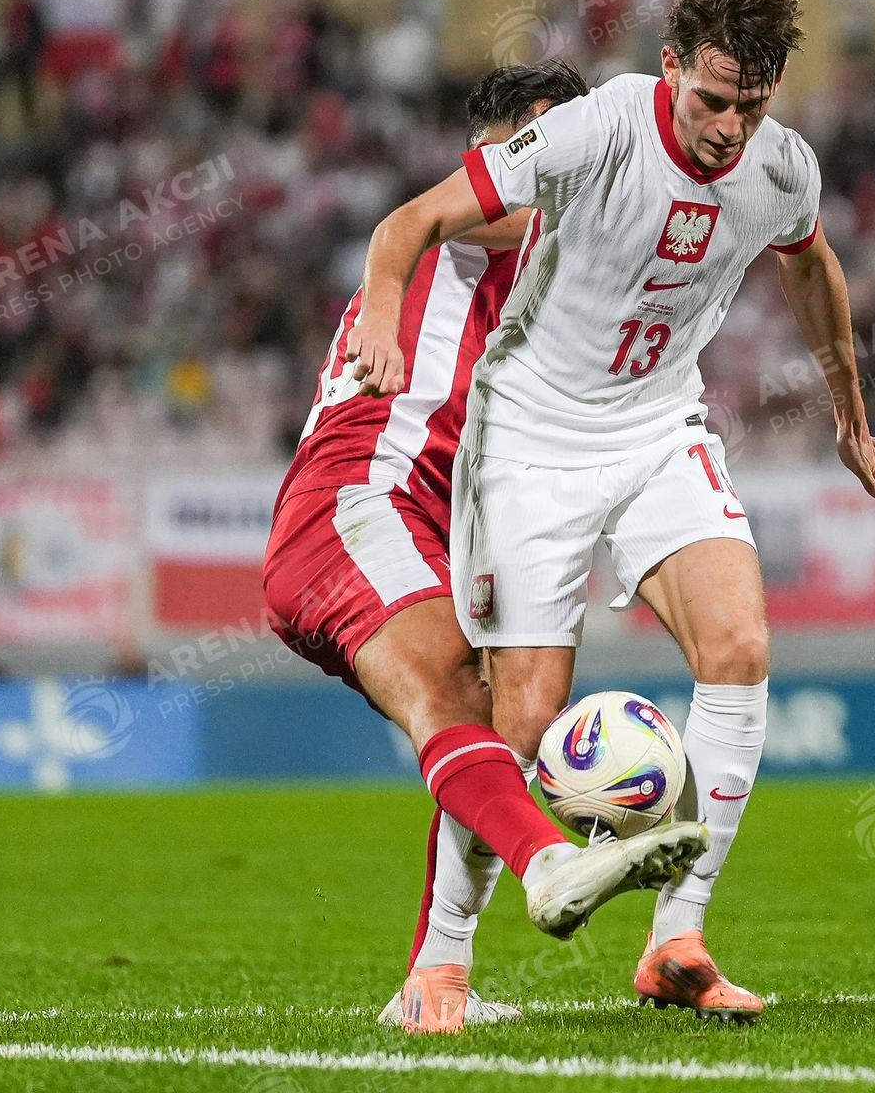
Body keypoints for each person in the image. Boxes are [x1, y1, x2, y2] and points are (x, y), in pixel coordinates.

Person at [342, 0, 875, 1022]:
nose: (730, 128)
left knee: (739, 648)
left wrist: (848, 413)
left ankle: (677, 941)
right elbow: (412, 221)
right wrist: (382, 309)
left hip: (659, 428)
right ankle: (439, 966)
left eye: (752, 106)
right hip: (531, 439)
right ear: (670, 66)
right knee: (520, 720)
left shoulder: (783, 167)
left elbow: (811, 266)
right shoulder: (596, 128)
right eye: (713, 99)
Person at [262, 60, 707, 1036]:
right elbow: (429, 224)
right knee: (454, 691)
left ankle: (437, 981)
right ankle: (549, 863)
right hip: (357, 503)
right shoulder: (475, 224)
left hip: (441, 529)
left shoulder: (556, 280)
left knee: (502, 721)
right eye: (550, 145)